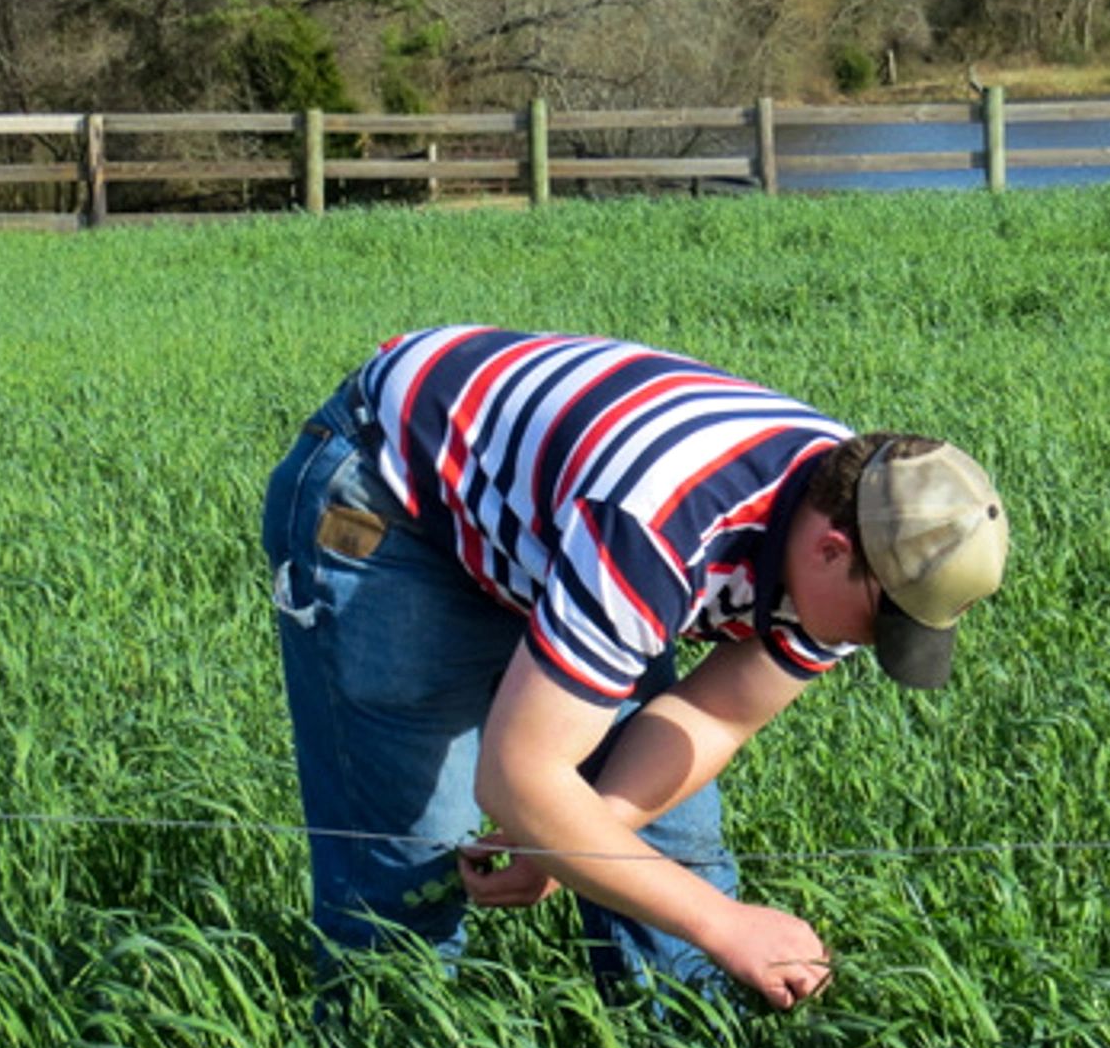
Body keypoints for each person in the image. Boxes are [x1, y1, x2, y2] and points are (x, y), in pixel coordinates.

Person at [261, 325, 1007, 1011]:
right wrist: (723, 924)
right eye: (883, 625)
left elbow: (717, 714)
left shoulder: (876, 534)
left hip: (559, 521)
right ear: (830, 552)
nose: (874, 647)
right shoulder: (660, 524)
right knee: (412, 860)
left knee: (662, 844)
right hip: (392, 495)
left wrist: (574, 836)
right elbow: (517, 779)